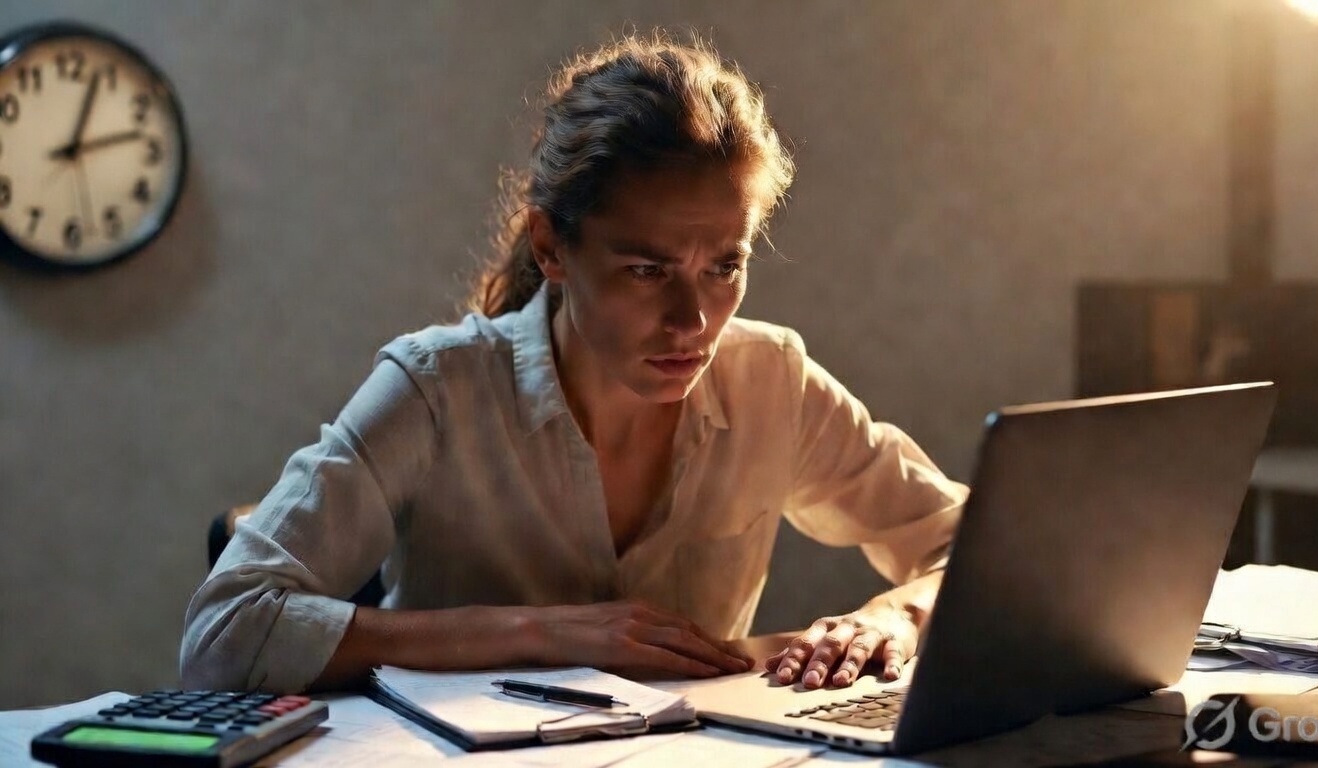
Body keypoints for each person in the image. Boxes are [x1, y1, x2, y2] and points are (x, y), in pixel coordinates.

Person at [181, 32, 966, 696]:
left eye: (723, 267)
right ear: (552, 246)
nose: (694, 321)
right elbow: (225, 630)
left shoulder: (773, 380)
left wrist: (893, 615)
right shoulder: (436, 388)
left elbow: (971, 546)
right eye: (647, 270)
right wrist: (544, 632)